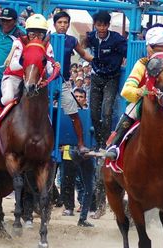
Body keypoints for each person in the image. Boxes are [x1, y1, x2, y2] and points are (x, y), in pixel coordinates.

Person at [104, 27, 163, 169]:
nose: (162, 53)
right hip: (146, 101)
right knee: (130, 113)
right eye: (157, 49)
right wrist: (141, 91)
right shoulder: (142, 64)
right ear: (149, 48)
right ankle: (115, 146)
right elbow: (126, 90)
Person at [0, 14, 60, 125]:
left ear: (45, 35)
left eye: (40, 34)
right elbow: (13, 65)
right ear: (27, 33)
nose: (36, 38)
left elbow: (49, 69)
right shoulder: (19, 43)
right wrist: (32, 64)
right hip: (14, 77)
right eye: (32, 33)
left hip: (35, 80)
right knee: (8, 97)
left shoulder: (48, 46)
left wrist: (55, 68)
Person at [84, 11, 127, 150]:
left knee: (107, 111)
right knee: (94, 113)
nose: (102, 28)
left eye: (104, 25)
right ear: (95, 25)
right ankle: (98, 141)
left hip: (111, 78)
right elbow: (83, 46)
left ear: (108, 25)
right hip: (96, 77)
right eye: (99, 25)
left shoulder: (117, 39)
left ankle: (105, 144)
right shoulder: (91, 37)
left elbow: (128, 51)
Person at [52, 11, 92, 154]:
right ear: (54, 24)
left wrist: (97, 61)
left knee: (74, 112)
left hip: (62, 82)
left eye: (65, 22)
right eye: (60, 22)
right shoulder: (47, 38)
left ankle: (81, 144)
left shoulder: (72, 40)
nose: (63, 25)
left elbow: (83, 54)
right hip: (46, 82)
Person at [0, 7, 25, 100]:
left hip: (14, 79)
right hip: (0, 77)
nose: (5, 23)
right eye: (3, 20)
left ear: (15, 21)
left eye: (8, 21)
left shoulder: (21, 34)